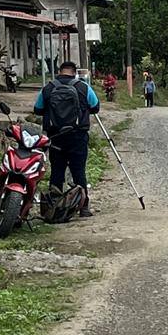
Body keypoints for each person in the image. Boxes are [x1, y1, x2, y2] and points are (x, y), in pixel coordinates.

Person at [34, 59, 100, 218]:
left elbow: (37, 109)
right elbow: (95, 107)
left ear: (59, 71)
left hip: (55, 137)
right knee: (79, 171)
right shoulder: (83, 87)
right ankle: (83, 207)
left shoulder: (48, 88)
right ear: (74, 73)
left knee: (57, 171)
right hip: (77, 135)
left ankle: (54, 206)